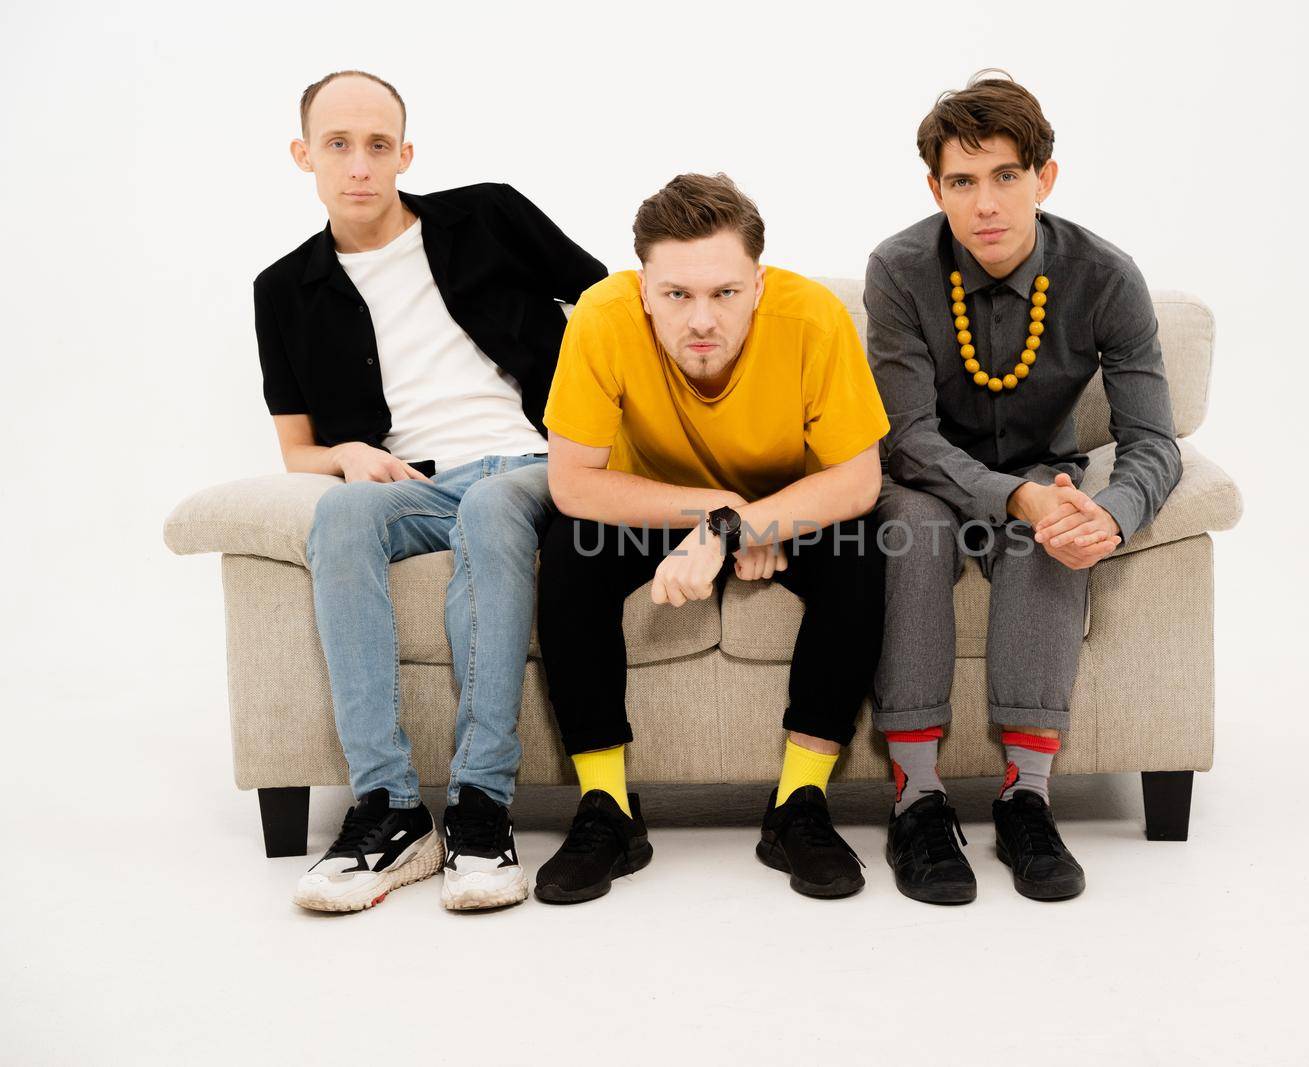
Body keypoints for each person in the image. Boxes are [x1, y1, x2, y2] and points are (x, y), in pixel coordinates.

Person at [252, 70, 606, 911]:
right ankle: (391, 809)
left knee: (491, 507)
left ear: (406, 153)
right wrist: (346, 453)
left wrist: (596, 433)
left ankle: (482, 804)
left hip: (531, 465)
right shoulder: (283, 290)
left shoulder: (488, 214)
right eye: (337, 144)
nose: (360, 164)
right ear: (303, 155)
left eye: (378, 144)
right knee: (341, 515)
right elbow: (297, 450)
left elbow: (610, 307)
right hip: (417, 483)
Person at [865, 73, 1182, 904]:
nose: (986, 205)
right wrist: (1012, 496)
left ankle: (1026, 799)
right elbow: (908, 437)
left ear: (1045, 177)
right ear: (936, 189)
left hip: (1045, 474)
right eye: (962, 183)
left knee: (1060, 528)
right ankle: (917, 797)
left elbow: (1153, 441)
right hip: (927, 481)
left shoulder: (1106, 276)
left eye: (1007, 175)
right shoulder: (899, 269)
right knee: (915, 530)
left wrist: (1107, 514)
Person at [533, 173, 889, 903]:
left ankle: (799, 804)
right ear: (642, 289)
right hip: (658, 508)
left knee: (861, 547)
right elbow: (573, 482)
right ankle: (608, 809)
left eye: (724, 293)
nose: (702, 318)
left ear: (758, 285)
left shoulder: (813, 319)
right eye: (677, 295)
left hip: (783, 509)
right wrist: (719, 514)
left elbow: (857, 481)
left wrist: (744, 523)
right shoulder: (600, 319)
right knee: (571, 548)